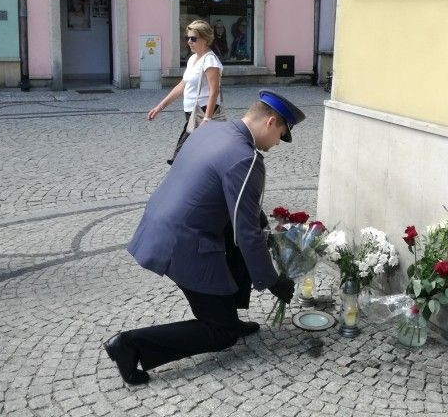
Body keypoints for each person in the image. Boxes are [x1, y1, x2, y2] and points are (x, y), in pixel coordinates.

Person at [103, 90, 305, 385]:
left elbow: (223, 194)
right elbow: (247, 234)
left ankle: (228, 315)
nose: (276, 144)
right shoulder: (246, 158)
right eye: (281, 135)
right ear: (270, 122)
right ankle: (130, 345)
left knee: (238, 250)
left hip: (162, 224)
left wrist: (259, 221)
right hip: (185, 243)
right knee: (221, 332)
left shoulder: (211, 129)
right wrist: (273, 281)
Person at [147, 20, 223, 164]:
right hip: (191, 113)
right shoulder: (193, 59)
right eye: (187, 38)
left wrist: (207, 119)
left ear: (205, 39)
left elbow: (214, 91)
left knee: (181, 155)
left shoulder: (210, 61)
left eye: (193, 38)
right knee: (194, 155)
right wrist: (159, 107)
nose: (189, 41)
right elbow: (182, 85)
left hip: (203, 111)